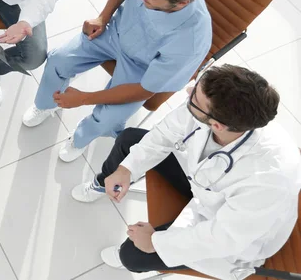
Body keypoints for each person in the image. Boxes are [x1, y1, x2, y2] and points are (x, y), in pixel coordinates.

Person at [71, 65, 301, 279]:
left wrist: (155, 242)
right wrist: (126, 169)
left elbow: (223, 238)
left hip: (231, 234)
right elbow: (164, 134)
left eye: (194, 98)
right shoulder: (216, 108)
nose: (189, 91)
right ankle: (104, 182)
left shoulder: (270, 180)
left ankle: (136, 257)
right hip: (203, 185)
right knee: (129, 139)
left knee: (132, 255)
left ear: (217, 125)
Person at [22, 0, 218, 162]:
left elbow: (144, 90)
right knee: (58, 60)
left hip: (142, 68)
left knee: (109, 118)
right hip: (115, 31)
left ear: (181, 4)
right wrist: (103, 17)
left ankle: (81, 137)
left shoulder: (191, 40)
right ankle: (46, 105)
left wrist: (84, 98)